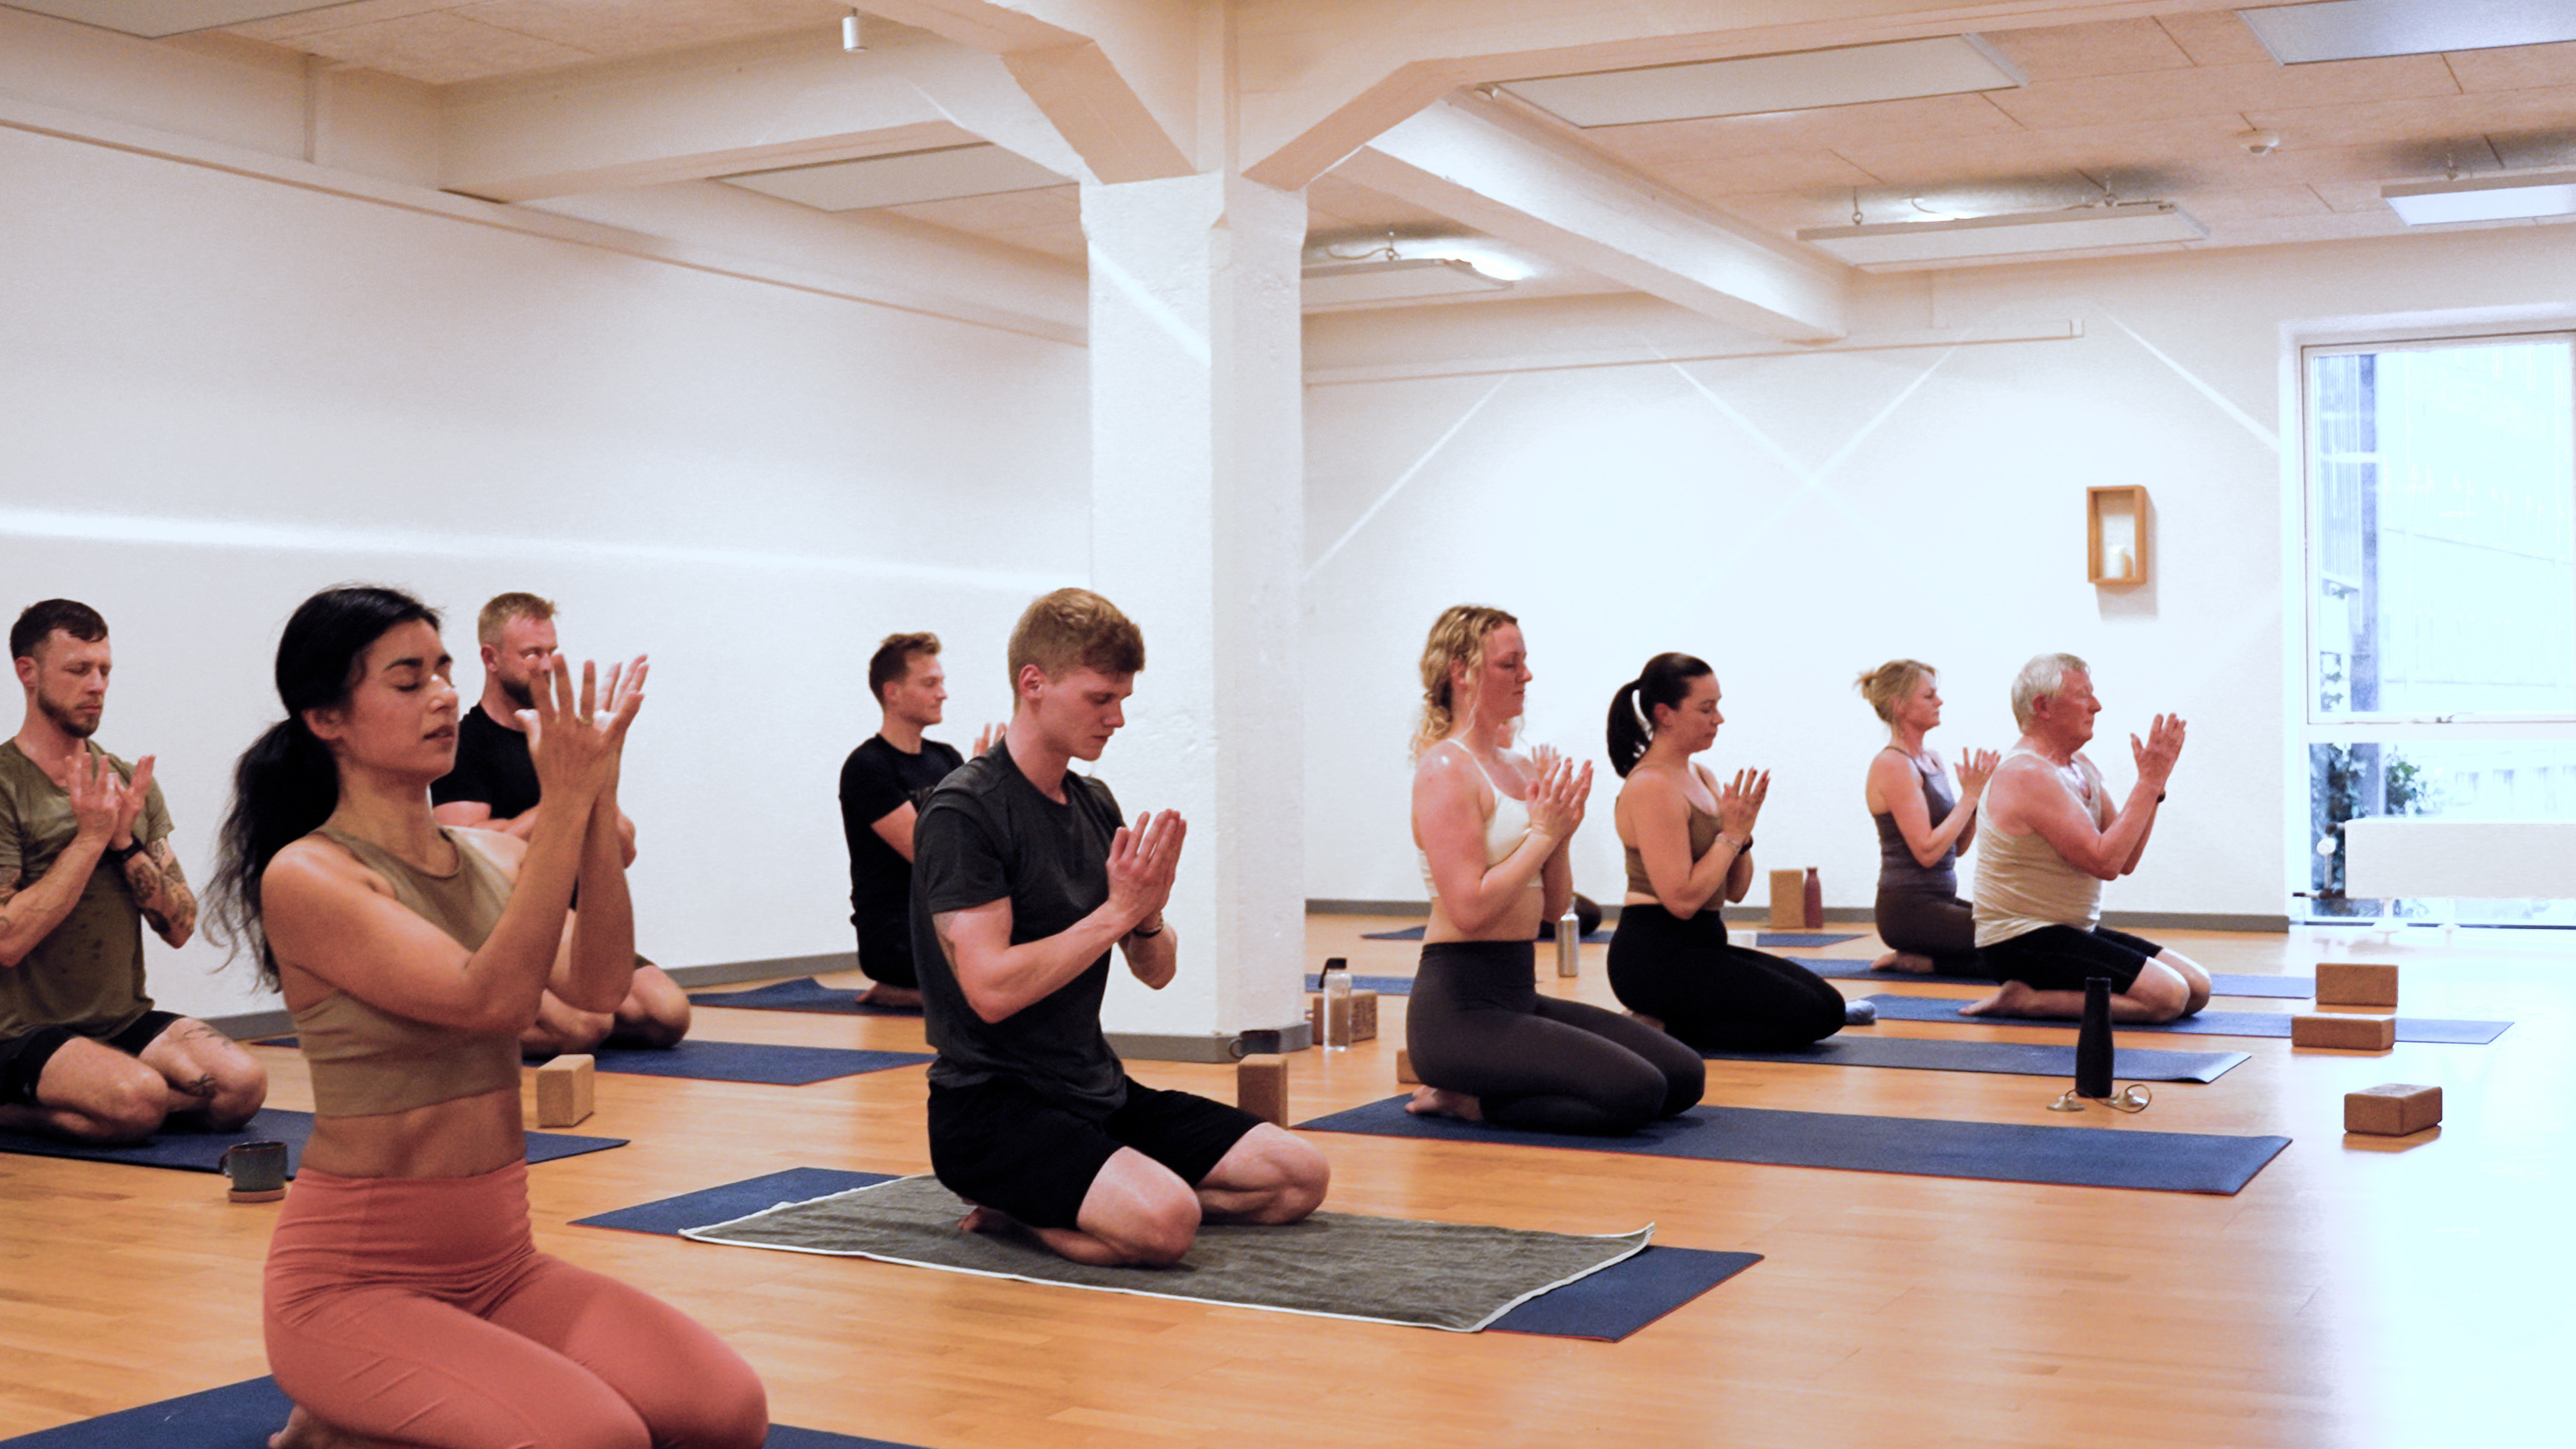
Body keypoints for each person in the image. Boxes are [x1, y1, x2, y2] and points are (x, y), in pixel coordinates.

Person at [208, 585, 765, 1449]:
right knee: (596, 1440)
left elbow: (597, 982)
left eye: (443, 671)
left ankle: (358, 1426)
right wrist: (568, 806)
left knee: (726, 1413)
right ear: (327, 718)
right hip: (353, 1283)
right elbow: (491, 1002)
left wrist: (592, 807)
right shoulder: (311, 876)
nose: (440, 696)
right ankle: (338, 1415)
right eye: (406, 680)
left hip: (500, 1266)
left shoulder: (489, 851)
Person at [912, 588, 1328, 1266]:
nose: (1118, 719)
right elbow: (989, 990)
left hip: (1096, 1091)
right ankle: (1022, 1211)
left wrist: (1147, 915)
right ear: (1034, 684)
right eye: (1101, 699)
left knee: (1298, 1178)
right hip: (990, 1111)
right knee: (1166, 1225)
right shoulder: (966, 813)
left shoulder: (1092, 801)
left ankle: (1090, 1198)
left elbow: (1156, 971)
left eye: (1122, 699)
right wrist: (1115, 913)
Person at [1404, 606, 1703, 1134]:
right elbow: (1469, 909)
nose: (1526, 675)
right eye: (1509, 664)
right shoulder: (1445, 769)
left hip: (1517, 993)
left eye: (1524, 661)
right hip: (1456, 1013)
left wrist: (1560, 835)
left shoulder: (1519, 767)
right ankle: (1469, 1102)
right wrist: (1542, 834)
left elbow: (1554, 909)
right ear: (1461, 672)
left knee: (1682, 1075)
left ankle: (1485, 1090)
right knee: (1636, 1091)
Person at [0, 599, 265, 1143]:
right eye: (78, 670)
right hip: (19, 1031)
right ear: (28, 672)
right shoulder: (5, 784)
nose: (97, 685)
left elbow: (181, 925)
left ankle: (118, 1098)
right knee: (140, 1101)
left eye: (104, 671)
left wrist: (123, 842)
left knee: (242, 1087)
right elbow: (8, 940)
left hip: (117, 1021)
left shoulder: (124, 781)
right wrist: (92, 837)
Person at [432, 592, 688, 1053]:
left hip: (573, 924)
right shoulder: (468, 742)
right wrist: (563, 797)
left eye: (552, 652)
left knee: (668, 1016)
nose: (547, 665)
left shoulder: (567, 738)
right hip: (504, 926)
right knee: (584, 1029)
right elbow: (465, 846)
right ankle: (447, 1026)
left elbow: (624, 848)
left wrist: (595, 783)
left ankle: (543, 1009)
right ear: (491, 658)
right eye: (533, 654)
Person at [1604, 653, 1857, 1051]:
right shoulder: (1650, 786)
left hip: (1705, 946)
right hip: (1655, 959)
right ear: (1665, 714)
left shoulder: (1702, 776)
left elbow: (1736, 889)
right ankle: (1657, 1027)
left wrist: (1742, 835)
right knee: (1812, 1017)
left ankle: (1669, 1022)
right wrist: (1731, 835)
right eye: (1706, 708)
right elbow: (1682, 900)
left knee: (1829, 1005)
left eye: (1717, 706)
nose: (1718, 718)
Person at [1965, 653, 2212, 1022]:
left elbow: (2125, 858)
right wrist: (2146, 783)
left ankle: (2038, 994)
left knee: (2197, 988)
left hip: (2070, 931)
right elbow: (2104, 862)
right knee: (2169, 998)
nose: (2096, 706)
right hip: (2020, 941)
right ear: (2043, 706)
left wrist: (2154, 785)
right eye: (2083, 695)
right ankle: (2025, 1000)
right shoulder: (2027, 773)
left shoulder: (2080, 767)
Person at [839, 633, 988, 1010]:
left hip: (946, 920)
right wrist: (978, 795)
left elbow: (985, 841)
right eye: (929, 684)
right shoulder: (867, 767)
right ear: (893, 692)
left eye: (941, 682)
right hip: (896, 935)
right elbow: (930, 852)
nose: (943, 694)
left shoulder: (946, 758)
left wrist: (991, 786)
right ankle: (900, 988)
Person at [1856, 659, 1997, 975]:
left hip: (1939, 902)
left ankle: (1923, 960)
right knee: (2015, 946)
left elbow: (1955, 848)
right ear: (1900, 705)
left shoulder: (1931, 760)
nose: (1939, 702)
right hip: (1908, 911)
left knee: (2019, 930)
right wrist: (1970, 797)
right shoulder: (1893, 765)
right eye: (1929, 696)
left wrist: (1974, 804)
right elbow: (1927, 851)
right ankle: (1923, 962)